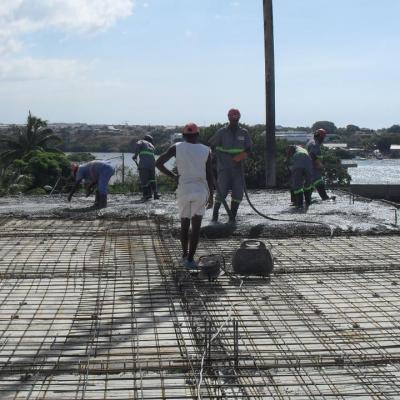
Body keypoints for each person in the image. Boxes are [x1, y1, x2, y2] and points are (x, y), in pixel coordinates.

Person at [156, 123, 213, 269]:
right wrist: (212, 195)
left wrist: (173, 176)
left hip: (184, 190)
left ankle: (184, 254)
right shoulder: (206, 150)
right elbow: (210, 175)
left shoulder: (177, 147)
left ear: (183, 135)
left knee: (184, 224)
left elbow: (158, 163)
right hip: (200, 191)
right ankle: (190, 260)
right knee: (196, 227)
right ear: (198, 135)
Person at [208, 108, 252, 223]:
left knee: (238, 193)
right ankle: (215, 216)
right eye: (232, 118)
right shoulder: (222, 132)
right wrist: (211, 160)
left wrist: (241, 156)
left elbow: (249, 149)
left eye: (236, 119)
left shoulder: (244, 133)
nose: (234, 121)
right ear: (228, 118)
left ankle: (232, 217)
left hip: (238, 169)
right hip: (224, 168)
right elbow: (211, 145)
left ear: (239, 118)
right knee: (221, 191)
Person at [133, 134, 160, 201]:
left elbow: (137, 145)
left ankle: (146, 195)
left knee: (144, 179)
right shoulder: (152, 146)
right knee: (152, 179)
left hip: (144, 164)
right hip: (152, 164)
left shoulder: (141, 141)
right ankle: (155, 194)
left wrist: (135, 155)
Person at [306, 128, 330, 200]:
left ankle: (309, 199)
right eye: (323, 137)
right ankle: (325, 198)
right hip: (314, 168)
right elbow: (312, 154)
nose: (323, 139)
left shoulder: (310, 142)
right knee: (318, 182)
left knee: (311, 184)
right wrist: (319, 164)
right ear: (320, 137)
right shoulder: (315, 144)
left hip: (311, 168)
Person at [287, 145, 313, 209]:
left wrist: (287, 158)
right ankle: (308, 202)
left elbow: (290, 148)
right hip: (308, 160)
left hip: (298, 160)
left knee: (297, 185)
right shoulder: (305, 151)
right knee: (308, 184)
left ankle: (299, 204)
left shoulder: (295, 147)